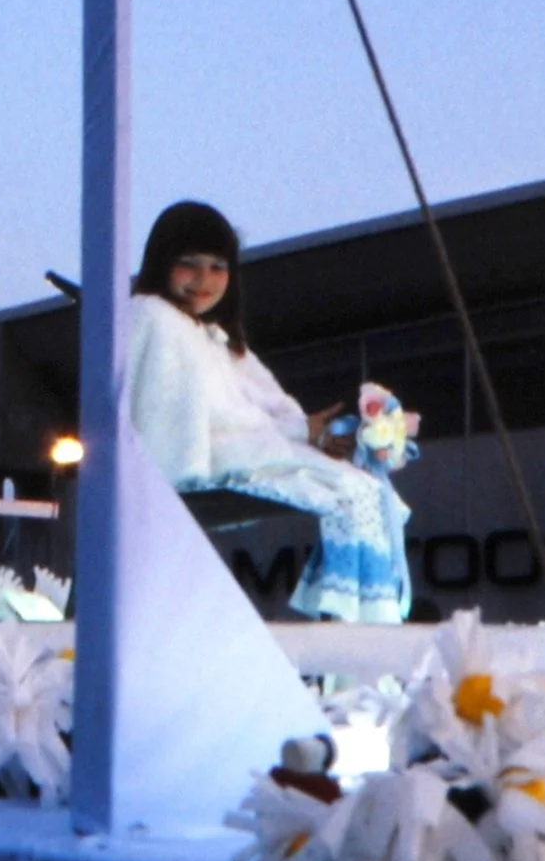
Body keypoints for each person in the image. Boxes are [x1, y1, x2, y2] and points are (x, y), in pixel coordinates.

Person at [125, 200, 412, 623]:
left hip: (234, 449)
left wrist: (308, 433)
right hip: (202, 459)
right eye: (189, 263)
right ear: (161, 261)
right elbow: (180, 422)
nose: (204, 279)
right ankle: (355, 621)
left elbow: (266, 405)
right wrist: (295, 435)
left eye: (218, 267)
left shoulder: (213, 337)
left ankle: (360, 618)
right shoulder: (154, 315)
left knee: (364, 489)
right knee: (350, 493)